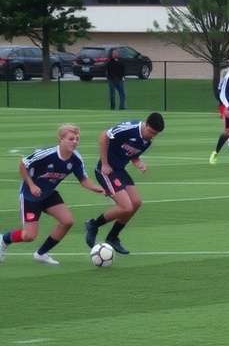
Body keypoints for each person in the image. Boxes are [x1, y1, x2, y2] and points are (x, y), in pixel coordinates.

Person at [0, 124, 104, 265]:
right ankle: (3, 240)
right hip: (30, 196)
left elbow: (83, 180)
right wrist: (31, 185)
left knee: (67, 221)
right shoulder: (46, 154)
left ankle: (41, 253)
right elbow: (23, 165)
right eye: (71, 139)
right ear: (61, 139)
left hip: (48, 194)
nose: (75, 142)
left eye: (77, 139)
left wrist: (97, 188)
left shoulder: (76, 159)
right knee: (29, 236)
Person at [84, 112, 165, 255]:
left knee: (136, 203)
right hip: (106, 170)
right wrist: (104, 163)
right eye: (151, 132)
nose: (152, 136)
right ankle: (93, 225)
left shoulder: (147, 141)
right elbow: (104, 136)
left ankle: (112, 237)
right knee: (126, 207)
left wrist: (138, 162)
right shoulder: (128, 129)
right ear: (145, 124)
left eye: (155, 134)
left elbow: (133, 155)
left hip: (119, 170)